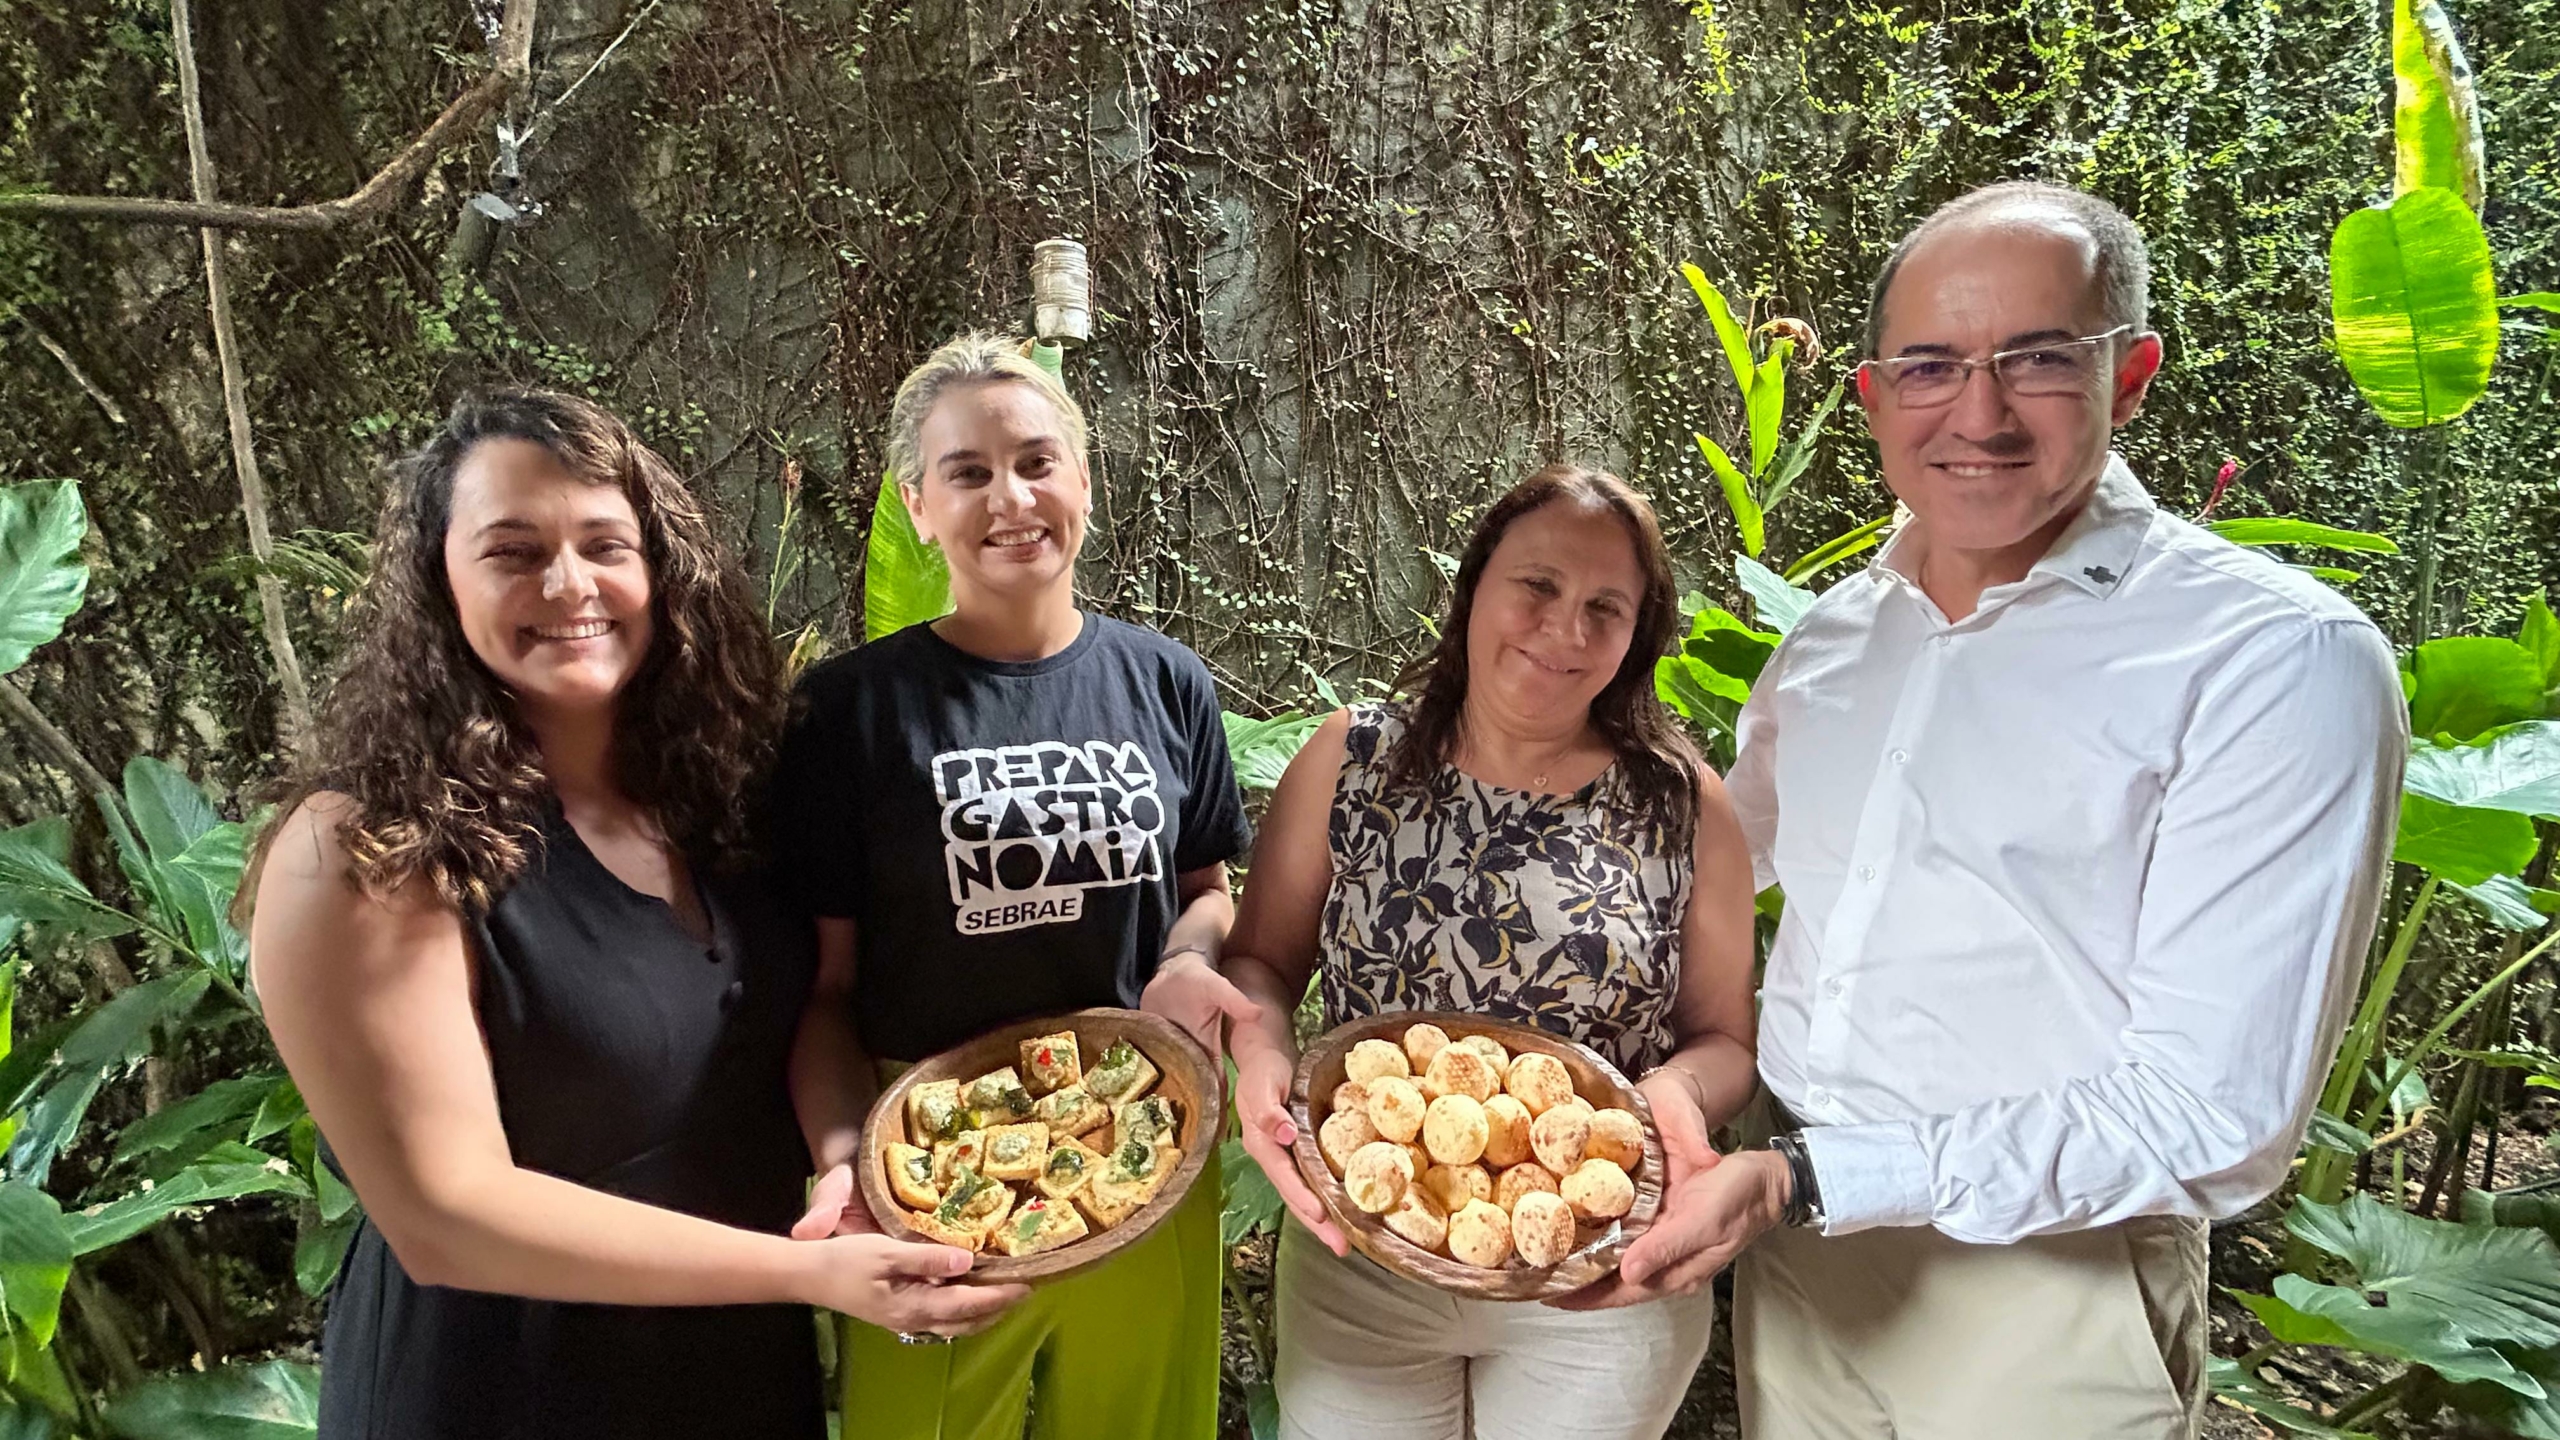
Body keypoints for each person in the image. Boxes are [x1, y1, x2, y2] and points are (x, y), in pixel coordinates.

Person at [1624, 181, 2407, 1439]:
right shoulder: (1830, 641)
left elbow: (2218, 1114)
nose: (1976, 413)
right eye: (1929, 367)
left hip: (2050, 1287)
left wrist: (1815, 1179)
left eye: (2036, 359)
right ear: (1875, 398)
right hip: (1798, 1253)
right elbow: (1706, 882)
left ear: (2131, 374)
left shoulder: (2271, 659)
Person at [248, 390, 1014, 1440]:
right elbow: (445, 1215)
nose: (569, 585)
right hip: (498, 1395)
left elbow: (799, 1020)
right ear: (438, 584)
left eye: (604, 545)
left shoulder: (718, 798)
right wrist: (804, 1271)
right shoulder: (367, 851)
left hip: (736, 1380)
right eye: (513, 552)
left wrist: (853, 1164)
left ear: (659, 569)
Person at [1207, 464, 1762, 1439]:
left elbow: (1724, 1038)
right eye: (1538, 586)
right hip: (1367, 1245)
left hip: (1592, 1271)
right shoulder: (1354, 759)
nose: (1565, 629)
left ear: (1637, 636)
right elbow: (1260, 963)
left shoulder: (1681, 801)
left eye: (1606, 607)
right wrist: (1261, 1056)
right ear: (1476, 587)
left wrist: (1672, 1097)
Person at [773, 333, 1257, 1440]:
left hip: (1146, 1144)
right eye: (969, 472)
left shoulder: (1161, 679)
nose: (1011, 498)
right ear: (917, 503)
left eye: (1038, 462)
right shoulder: (849, 711)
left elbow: (1206, 887)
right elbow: (826, 988)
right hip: (933, 1173)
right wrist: (849, 1170)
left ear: (1083, 479)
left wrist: (1186, 959)